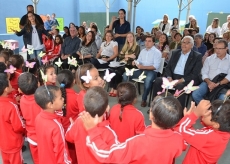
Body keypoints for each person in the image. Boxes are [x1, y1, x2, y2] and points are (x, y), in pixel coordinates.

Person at [80, 94, 185, 164]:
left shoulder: (138, 142)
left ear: (151, 115)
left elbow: (107, 154)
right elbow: (181, 146)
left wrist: (92, 131)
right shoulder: (178, 138)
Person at [66, 86, 118, 164]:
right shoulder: (110, 133)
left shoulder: (79, 121)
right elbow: (115, 157)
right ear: (107, 108)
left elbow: (68, 137)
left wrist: (72, 125)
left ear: (84, 106)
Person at [151, 36, 202, 109]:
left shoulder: (197, 56)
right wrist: (169, 77)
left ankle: (178, 111)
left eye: (187, 43)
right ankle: (156, 106)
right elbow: (168, 67)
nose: (184, 44)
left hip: (185, 78)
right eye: (183, 42)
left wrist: (180, 80)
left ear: (192, 45)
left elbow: (195, 74)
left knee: (180, 86)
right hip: (172, 76)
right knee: (158, 81)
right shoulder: (175, 53)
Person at [34, 85, 72, 164]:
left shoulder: (38, 117)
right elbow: (61, 151)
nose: (63, 99)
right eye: (61, 98)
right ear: (50, 105)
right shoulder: (56, 126)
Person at [123, 35, 162, 107]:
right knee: (125, 74)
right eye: (146, 41)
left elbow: (155, 67)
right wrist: (135, 62)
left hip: (152, 72)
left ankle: (144, 99)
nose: (147, 43)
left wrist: (142, 66)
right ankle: (128, 96)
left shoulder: (157, 52)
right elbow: (139, 61)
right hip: (141, 70)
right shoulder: (143, 51)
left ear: (153, 43)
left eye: (149, 41)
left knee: (147, 80)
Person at [192, 39, 230, 104]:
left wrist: (218, 84)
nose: (217, 50)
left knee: (223, 99)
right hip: (208, 82)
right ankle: (208, 109)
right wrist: (209, 83)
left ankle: (213, 110)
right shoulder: (209, 59)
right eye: (216, 48)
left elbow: (229, 76)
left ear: (226, 48)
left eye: (220, 48)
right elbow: (204, 72)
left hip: (222, 84)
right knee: (195, 94)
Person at [0, 73, 25, 164]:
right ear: (6, 89)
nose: (11, 84)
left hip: (2, 143)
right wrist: (25, 127)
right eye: (9, 83)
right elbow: (18, 126)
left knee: (6, 161)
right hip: (13, 143)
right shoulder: (11, 106)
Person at [18, 73, 41, 164]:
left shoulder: (22, 99)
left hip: (31, 135)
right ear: (38, 84)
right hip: (42, 135)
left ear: (19, 89)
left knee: (36, 159)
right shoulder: (40, 100)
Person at [109, 32, 140, 96]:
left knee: (118, 72)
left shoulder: (137, 46)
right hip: (122, 63)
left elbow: (134, 57)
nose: (129, 38)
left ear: (133, 38)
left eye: (131, 37)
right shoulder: (125, 46)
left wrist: (125, 56)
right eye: (128, 37)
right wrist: (128, 56)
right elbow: (120, 56)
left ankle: (116, 89)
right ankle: (113, 87)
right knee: (111, 70)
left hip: (130, 65)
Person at [57, 70, 78, 164]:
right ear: (74, 81)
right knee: (74, 154)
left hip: (60, 131)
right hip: (73, 131)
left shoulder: (56, 98)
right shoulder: (77, 97)